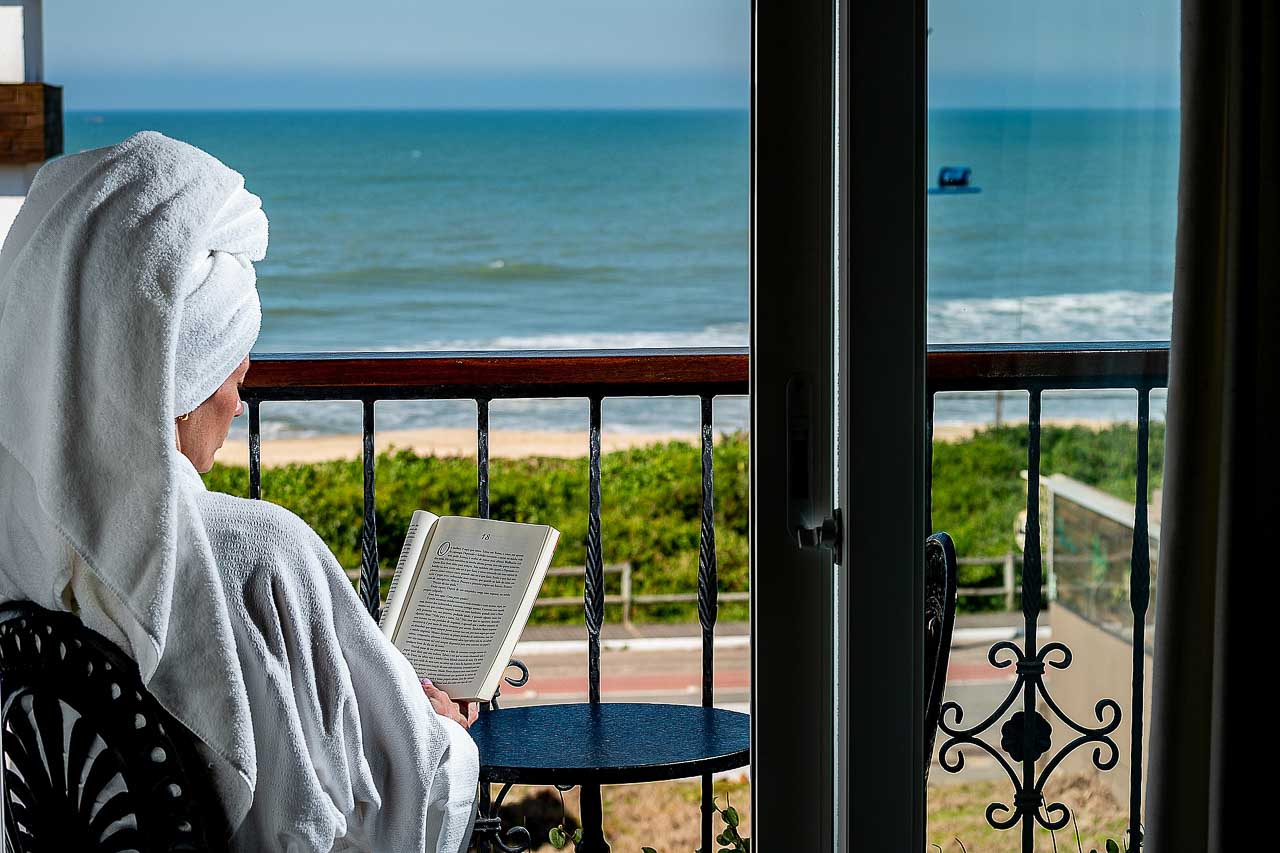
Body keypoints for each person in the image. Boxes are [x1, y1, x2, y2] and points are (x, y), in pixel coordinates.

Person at [0, 131, 479, 851]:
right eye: (236, 374)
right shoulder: (254, 555)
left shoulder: (20, 538)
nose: (238, 403)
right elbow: (405, 802)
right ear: (179, 385)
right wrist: (443, 727)